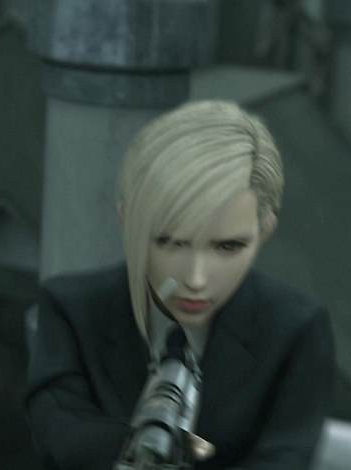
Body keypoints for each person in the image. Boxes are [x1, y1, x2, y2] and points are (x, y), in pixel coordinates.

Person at [26, 100, 334, 469]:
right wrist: (140, 447)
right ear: (128, 219)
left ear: (264, 230)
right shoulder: (72, 307)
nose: (196, 279)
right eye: (171, 243)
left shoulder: (296, 329)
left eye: (228, 247)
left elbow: (285, 458)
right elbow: (58, 428)